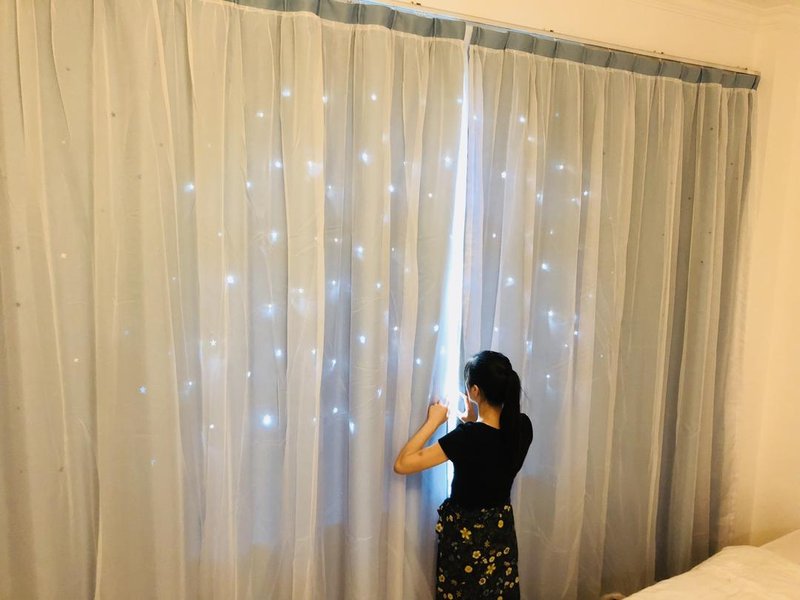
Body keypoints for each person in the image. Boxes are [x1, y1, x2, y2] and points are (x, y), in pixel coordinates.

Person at [394, 350, 533, 599]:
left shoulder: (468, 438)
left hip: (467, 540)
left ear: (475, 391)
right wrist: (470, 422)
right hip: (500, 533)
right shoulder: (522, 426)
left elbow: (403, 464)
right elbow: (488, 460)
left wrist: (434, 422)